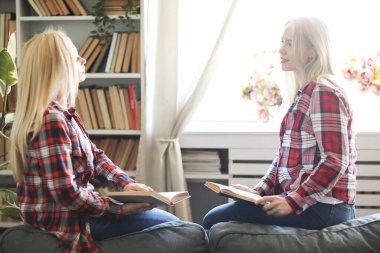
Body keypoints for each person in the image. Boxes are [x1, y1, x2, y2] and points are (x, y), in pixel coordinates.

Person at [9, 28, 179, 253]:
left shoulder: (64, 116)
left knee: (166, 220)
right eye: (75, 57)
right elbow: (66, 192)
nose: (84, 59)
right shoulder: (51, 120)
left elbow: (96, 157)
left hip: (83, 213)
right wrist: (117, 210)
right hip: (70, 222)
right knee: (174, 226)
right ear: (59, 68)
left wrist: (125, 183)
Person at [202, 17, 357, 230]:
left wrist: (292, 202)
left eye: (290, 43)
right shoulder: (304, 95)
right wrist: (257, 193)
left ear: (311, 51)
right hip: (310, 203)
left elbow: (335, 160)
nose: (281, 50)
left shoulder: (324, 93)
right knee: (219, 217)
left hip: (327, 208)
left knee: (214, 219)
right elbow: (284, 161)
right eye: (282, 42)